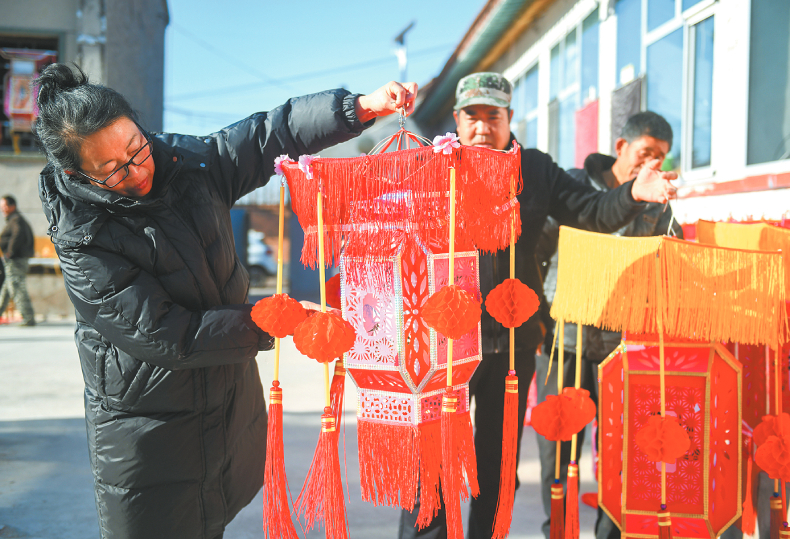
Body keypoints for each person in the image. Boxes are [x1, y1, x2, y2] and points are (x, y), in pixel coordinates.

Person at [33, 62, 417, 539]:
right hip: (149, 429)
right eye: (113, 171)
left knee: (212, 517)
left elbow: (266, 136)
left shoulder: (188, 164)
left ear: (141, 126)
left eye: (137, 149)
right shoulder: (83, 237)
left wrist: (357, 108)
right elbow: (165, 333)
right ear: (77, 174)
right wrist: (275, 321)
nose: (138, 172)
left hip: (224, 402)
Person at [398, 73, 677, 539]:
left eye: (494, 116)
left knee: (497, 464)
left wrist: (633, 194)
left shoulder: (536, 170)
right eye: (473, 116)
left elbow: (593, 211)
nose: (483, 127)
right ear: (457, 120)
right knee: (433, 463)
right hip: (442, 344)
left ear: (510, 119)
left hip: (512, 343)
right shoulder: (428, 166)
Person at [535, 111, 683, 539]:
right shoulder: (573, 186)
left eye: (660, 156)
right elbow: (540, 249)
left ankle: (610, 533)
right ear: (621, 148)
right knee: (558, 451)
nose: (652, 163)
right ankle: (558, 532)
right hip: (565, 341)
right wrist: (543, 322)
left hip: (624, 348)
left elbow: (672, 258)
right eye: (645, 152)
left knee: (619, 454)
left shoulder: (659, 202)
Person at [0, 194, 36, 326]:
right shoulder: (14, 219)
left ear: (12, 206)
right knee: (7, 289)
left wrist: (10, 252)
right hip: (14, 259)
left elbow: (18, 235)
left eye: (4, 206)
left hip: (15, 260)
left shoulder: (16, 220)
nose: (2, 209)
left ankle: (28, 318)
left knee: (16, 288)